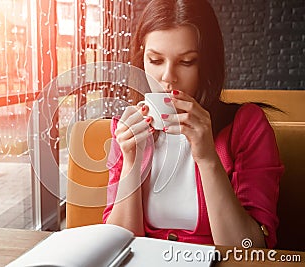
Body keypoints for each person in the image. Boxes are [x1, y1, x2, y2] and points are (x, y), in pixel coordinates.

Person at [102, 0, 283, 248]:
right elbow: (119, 244)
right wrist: (132, 161)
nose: (168, 78)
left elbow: (250, 250)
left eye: (186, 62)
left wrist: (207, 157)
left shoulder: (247, 127)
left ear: (205, 65)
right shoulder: (124, 129)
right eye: (155, 60)